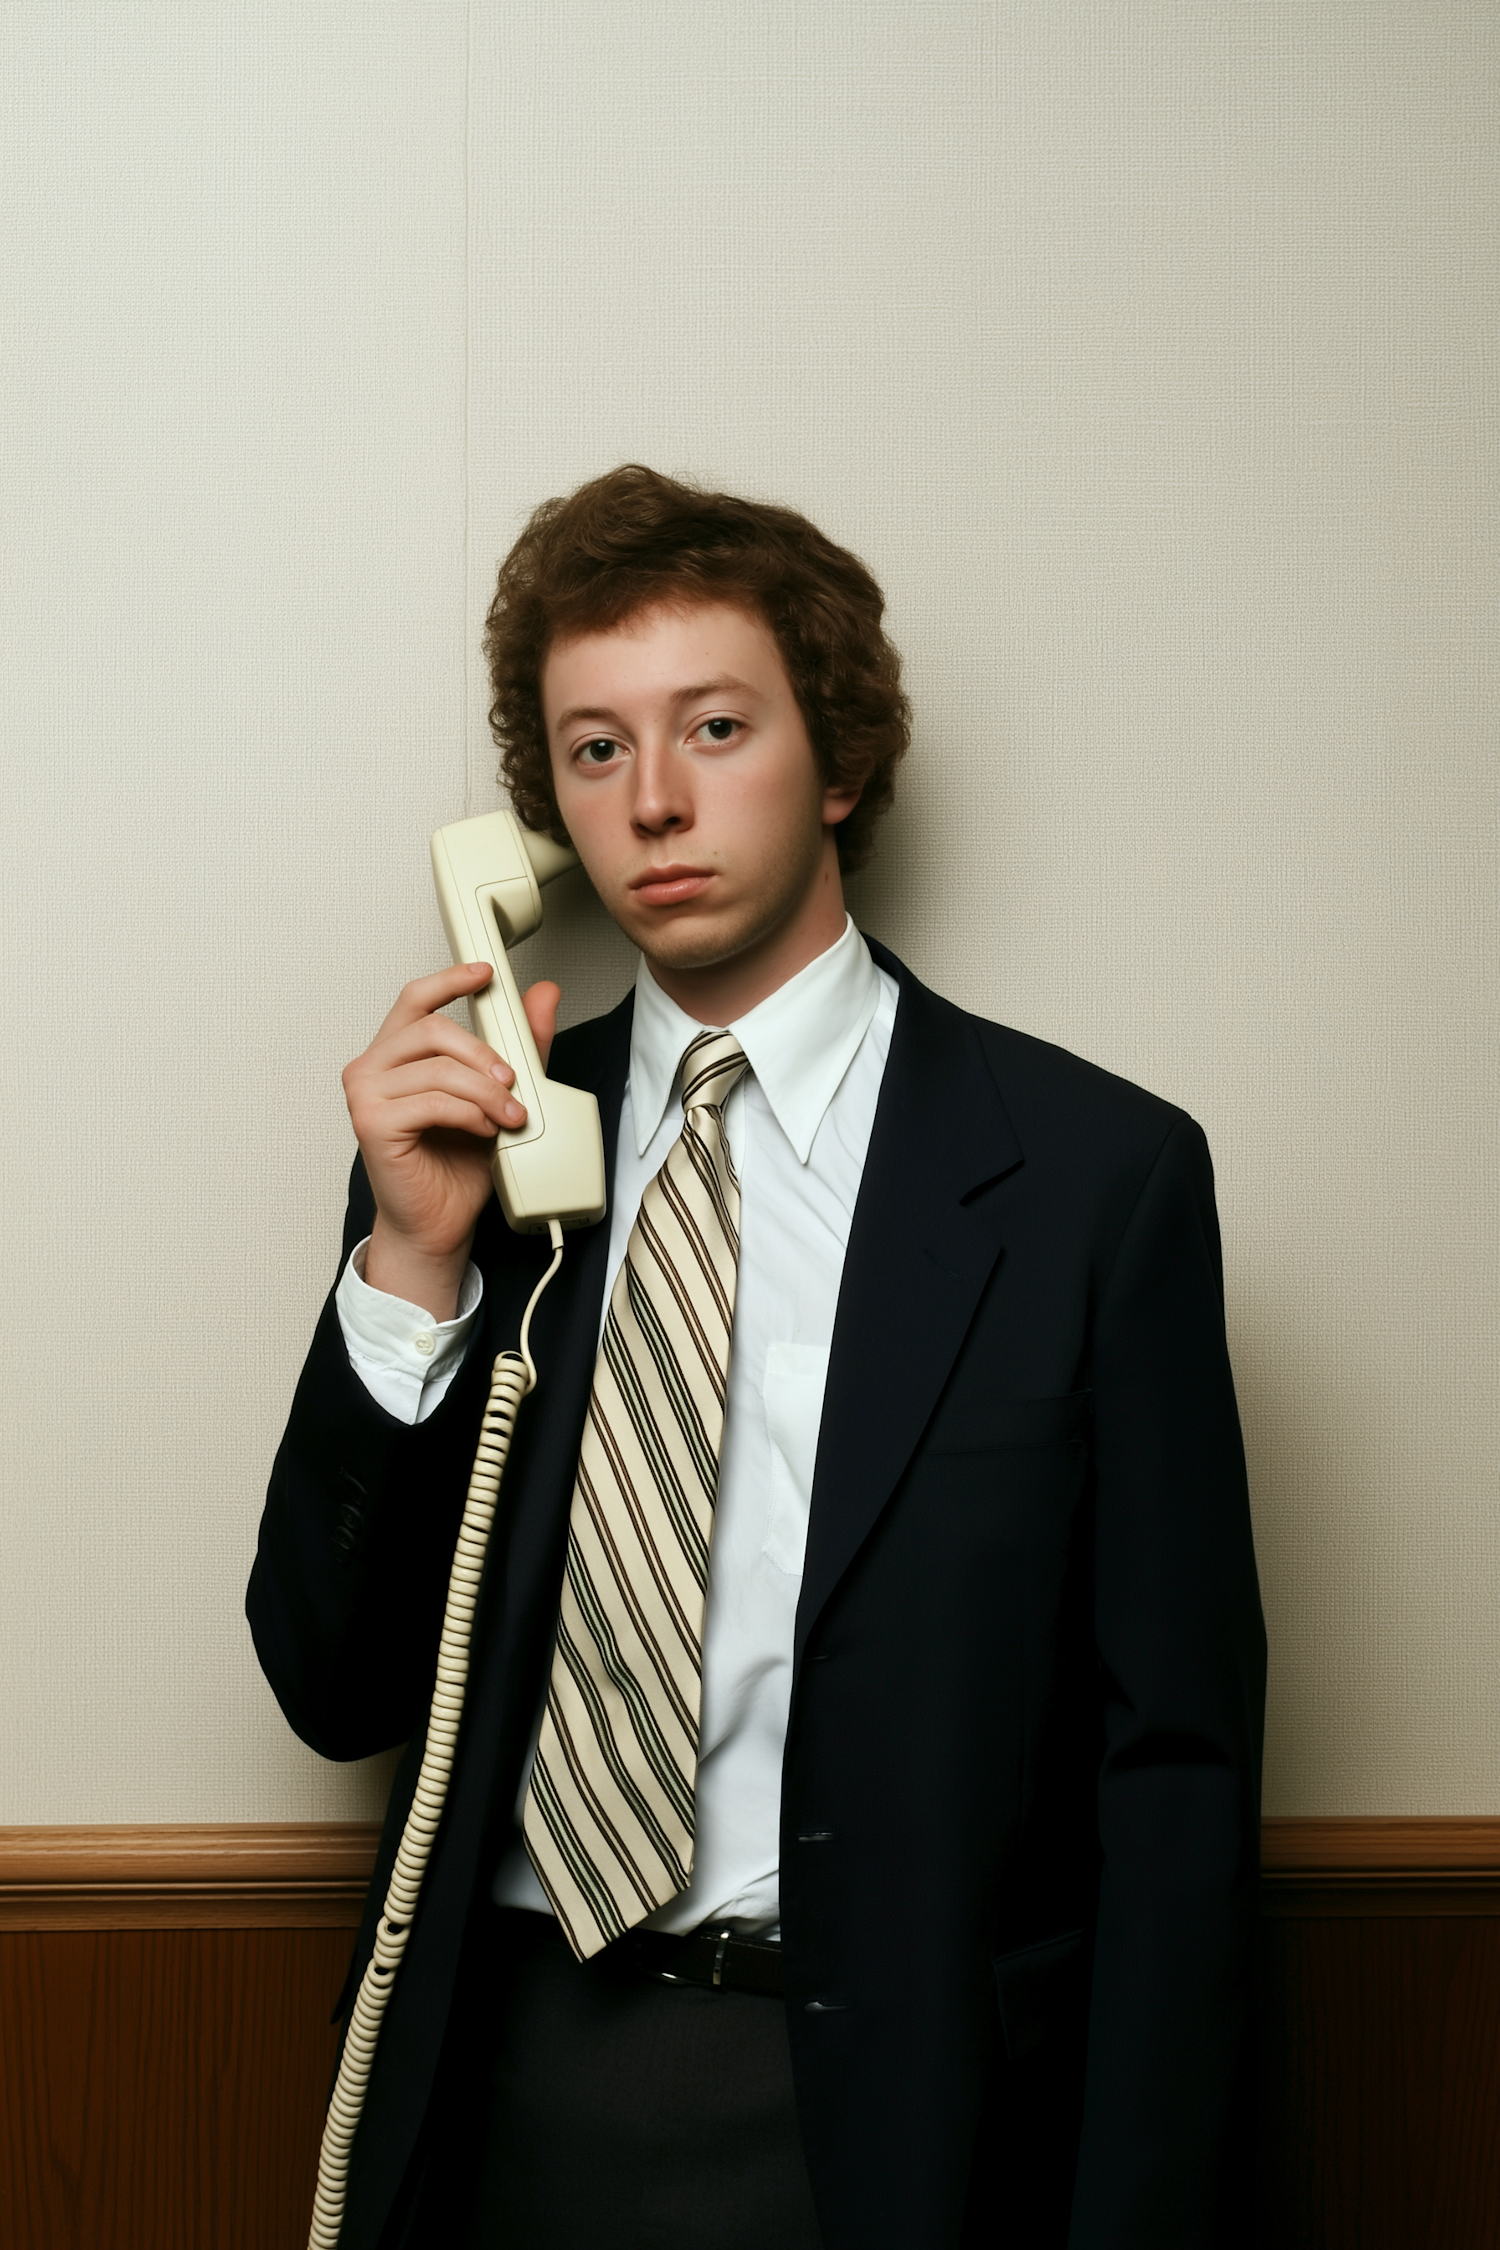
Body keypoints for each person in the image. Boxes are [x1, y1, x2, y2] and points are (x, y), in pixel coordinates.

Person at [248, 465, 1265, 2250]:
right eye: (592, 750)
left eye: (714, 726)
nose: (653, 800)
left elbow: (1170, 1780)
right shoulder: (483, 1164)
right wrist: (410, 1261)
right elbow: (332, 1689)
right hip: (505, 2074)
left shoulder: (1097, 1179)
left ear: (841, 758)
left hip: (899, 2112)